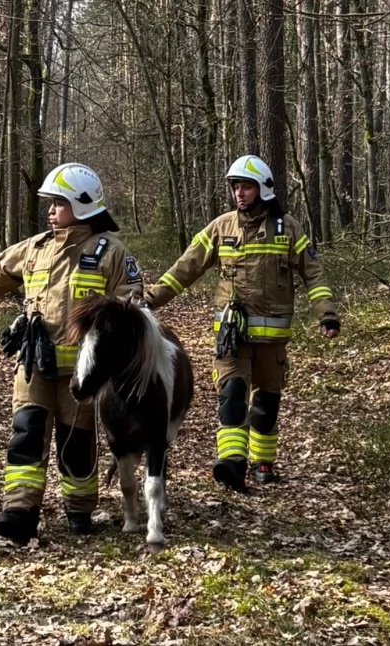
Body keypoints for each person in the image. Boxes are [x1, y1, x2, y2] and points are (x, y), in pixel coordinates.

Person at [0, 163, 144, 543]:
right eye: (50, 203)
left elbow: (133, 309)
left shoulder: (111, 253)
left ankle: (79, 511)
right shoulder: (36, 249)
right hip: (34, 366)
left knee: (76, 444)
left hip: (81, 378)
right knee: (26, 435)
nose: (51, 210)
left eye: (59, 203)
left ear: (83, 205)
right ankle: (19, 511)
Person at [144, 154, 340, 492]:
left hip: (273, 340)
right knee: (232, 394)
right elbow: (185, 268)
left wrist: (327, 313)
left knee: (265, 405)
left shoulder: (288, 227)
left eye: (246, 187)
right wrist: (150, 298)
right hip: (231, 337)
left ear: (262, 189)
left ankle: (263, 462)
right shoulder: (221, 227)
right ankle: (232, 463)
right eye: (235, 187)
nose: (239, 193)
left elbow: (313, 274)